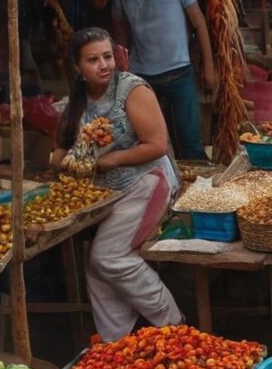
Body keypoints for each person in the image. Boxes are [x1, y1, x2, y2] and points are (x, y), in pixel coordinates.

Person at [52, 28, 184, 342]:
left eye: (107, 56)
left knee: (108, 257)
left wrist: (107, 161)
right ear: (77, 67)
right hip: (107, 193)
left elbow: (157, 145)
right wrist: (66, 160)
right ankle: (116, 342)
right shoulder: (79, 100)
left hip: (147, 182)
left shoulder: (132, 90)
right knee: (96, 266)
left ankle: (174, 325)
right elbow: (59, 150)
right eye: (93, 60)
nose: (103, 65)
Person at [110, 0, 215, 161]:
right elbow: (121, 36)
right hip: (142, 77)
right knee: (149, 143)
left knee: (190, 141)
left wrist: (209, 67)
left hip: (180, 73)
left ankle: (197, 185)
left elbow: (200, 24)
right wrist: (120, 73)